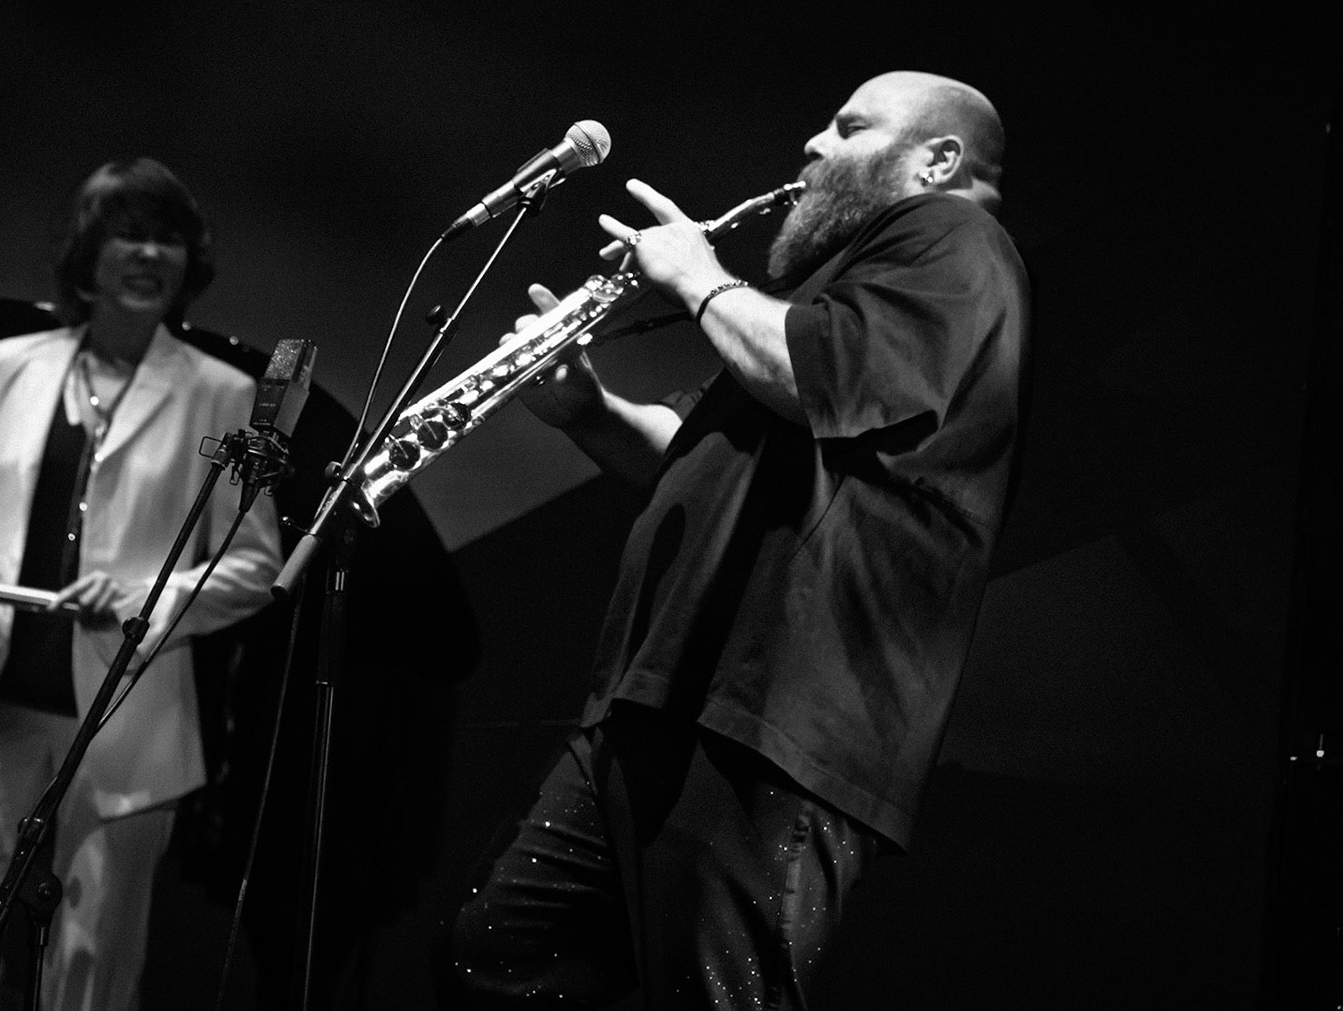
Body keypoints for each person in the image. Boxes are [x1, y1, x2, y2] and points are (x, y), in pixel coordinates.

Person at [436, 71, 1030, 1009]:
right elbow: (695, 452)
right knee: (501, 950)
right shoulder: (841, 292)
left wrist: (702, 281)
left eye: (849, 128)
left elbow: (813, 379)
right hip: (668, 699)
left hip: (774, 713)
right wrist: (588, 413)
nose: (815, 146)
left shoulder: (954, 237)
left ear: (939, 159)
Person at [0, 158, 284, 1010]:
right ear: (89, 254)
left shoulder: (222, 393)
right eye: (131, 234)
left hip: (125, 724)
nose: (152, 254)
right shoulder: (6, 367)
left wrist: (138, 595)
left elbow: (253, 564)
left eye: (170, 239)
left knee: (91, 968)